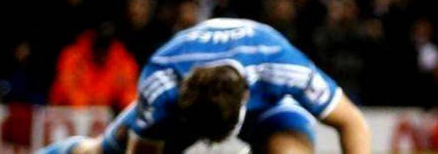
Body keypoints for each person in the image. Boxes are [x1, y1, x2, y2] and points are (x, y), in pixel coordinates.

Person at [39, 17, 371, 154]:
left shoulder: (280, 64)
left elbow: (352, 121)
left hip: (267, 105)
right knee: (102, 152)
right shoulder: (162, 84)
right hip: (178, 113)